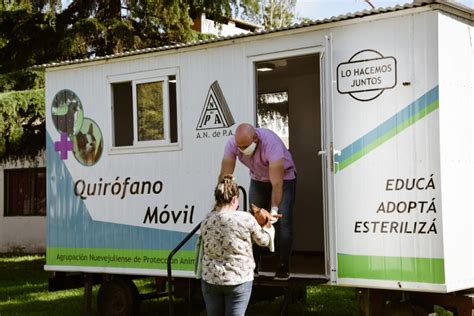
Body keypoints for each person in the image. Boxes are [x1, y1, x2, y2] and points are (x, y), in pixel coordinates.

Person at [219, 123, 296, 280]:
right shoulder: (232, 144)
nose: (241, 150)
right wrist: (222, 203)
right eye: (239, 147)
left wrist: (274, 210)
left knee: (284, 220)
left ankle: (283, 266)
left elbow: (277, 184)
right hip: (258, 179)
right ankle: (253, 266)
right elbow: (225, 176)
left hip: (284, 179)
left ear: (256, 138)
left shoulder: (271, 143)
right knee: (252, 220)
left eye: (245, 146)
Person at [200, 175, 275, 316]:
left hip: (211, 278)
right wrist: (267, 227)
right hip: (238, 279)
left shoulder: (206, 219)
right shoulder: (245, 218)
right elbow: (264, 241)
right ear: (234, 199)